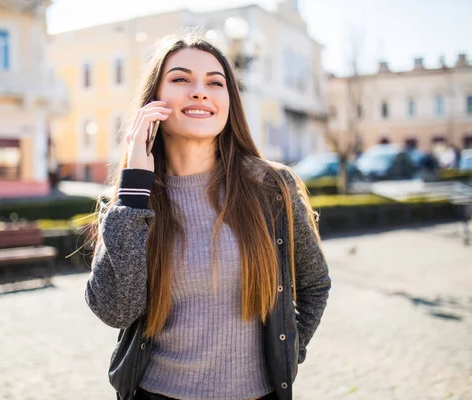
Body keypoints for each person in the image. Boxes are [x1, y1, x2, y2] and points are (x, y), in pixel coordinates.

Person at [85, 33, 331, 400]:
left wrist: (287, 354)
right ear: (154, 100)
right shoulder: (129, 201)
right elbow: (116, 311)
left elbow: (314, 285)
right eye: (181, 79)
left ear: (229, 102)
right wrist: (135, 188)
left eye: (215, 83)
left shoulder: (271, 188)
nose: (200, 92)